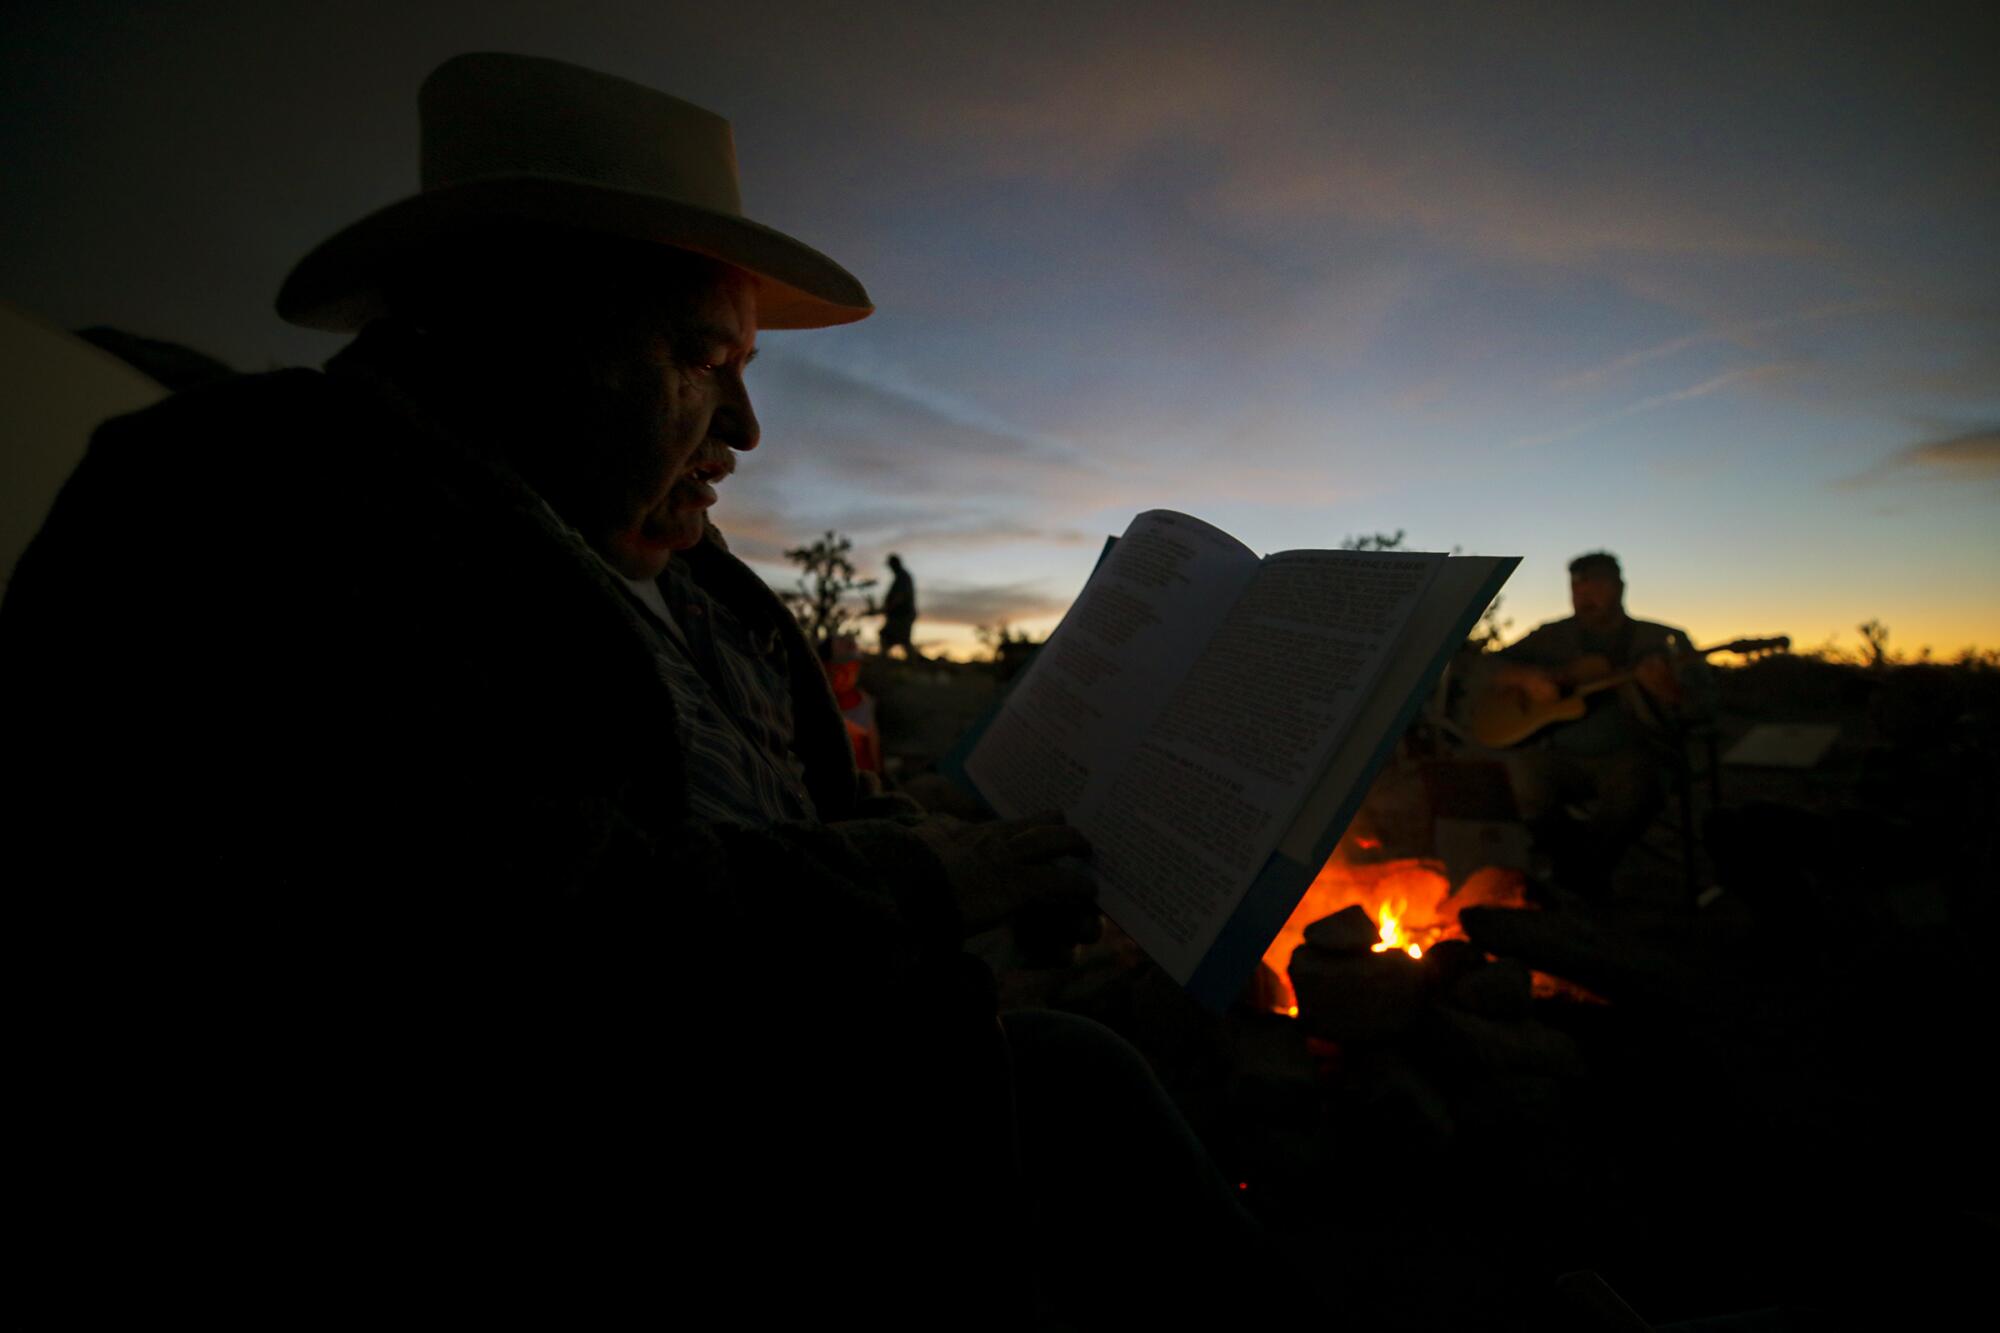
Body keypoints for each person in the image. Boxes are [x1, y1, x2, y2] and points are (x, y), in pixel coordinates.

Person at [3, 53, 1267, 1324]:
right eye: (697, 355)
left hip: (841, 1112)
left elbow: (759, 827)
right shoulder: (246, 506)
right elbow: (462, 919)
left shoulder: (665, 561)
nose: (745, 427)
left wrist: (918, 850)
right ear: (509, 326)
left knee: (1101, 1086)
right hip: (589, 1222)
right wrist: (912, 883)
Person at [1480, 551, 1711, 894]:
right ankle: (1573, 870)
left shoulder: (1661, 640)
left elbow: (1703, 707)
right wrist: (1527, 678)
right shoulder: (1551, 637)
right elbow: (1486, 668)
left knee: (1635, 788)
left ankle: (1575, 877)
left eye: (1597, 583)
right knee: (1520, 781)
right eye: (1577, 585)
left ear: (1620, 587)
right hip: (1557, 755)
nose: (1585, 593)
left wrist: (1670, 691)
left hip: (1632, 754)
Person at [878, 551, 919, 658]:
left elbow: (900, 597)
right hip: (899, 615)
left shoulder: (902, 577)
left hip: (902, 615)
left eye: (890, 565)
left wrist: (888, 608)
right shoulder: (900, 577)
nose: (890, 568)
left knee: (891, 637)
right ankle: (885, 659)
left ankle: (914, 663)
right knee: (893, 638)